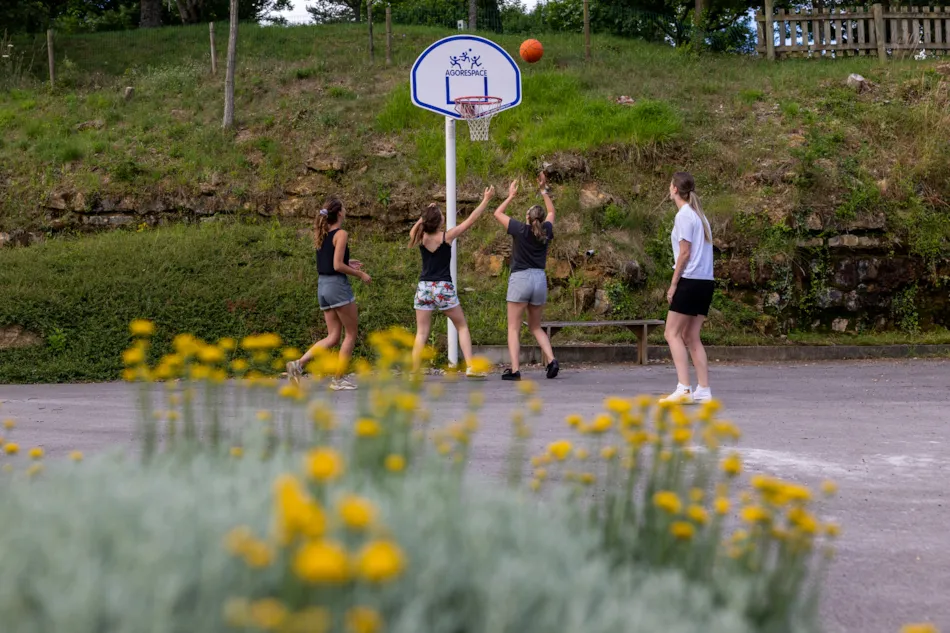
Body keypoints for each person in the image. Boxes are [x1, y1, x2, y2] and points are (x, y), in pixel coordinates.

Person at [408, 186, 496, 376]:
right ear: (440, 221)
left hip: (424, 287)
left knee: (421, 333)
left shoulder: (420, 237)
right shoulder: (446, 237)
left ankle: (414, 371)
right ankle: (471, 366)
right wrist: (486, 199)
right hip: (443, 287)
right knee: (461, 326)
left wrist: (422, 218)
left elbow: (413, 231)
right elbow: (471, 220)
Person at [287, 197, 371, 391]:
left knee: (333, 336)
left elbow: (331, 262)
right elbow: (336, 265)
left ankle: (298, 364)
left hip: (323, 286)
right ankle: (338, 379)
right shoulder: (341, 233)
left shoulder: (322, 232)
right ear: (339, 213)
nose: (346, 209)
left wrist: (349, 263)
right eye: (344, 207)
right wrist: (360, 274)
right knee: (351, 334)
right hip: (337, 286)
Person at [491, 174, 559, 382]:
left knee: (513, 327)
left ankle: (515, 370)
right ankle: (552, 360)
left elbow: (497, 213)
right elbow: (551, 211)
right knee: (536, 327)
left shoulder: (520, 229)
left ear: (528, 218)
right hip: (539, 279)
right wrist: (543, 189)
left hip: (520, 279)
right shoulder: (546, 230)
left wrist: (511, 195)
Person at [659, 172, 715, 404]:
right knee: (691, 336)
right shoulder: (700, 217)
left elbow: (684, 253)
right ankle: (704, 389)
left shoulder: (684, 216)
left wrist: (673, 285)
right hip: (706, 281)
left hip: (690, 280)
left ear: (674, 189)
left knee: (671, 333)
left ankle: (684, 388)